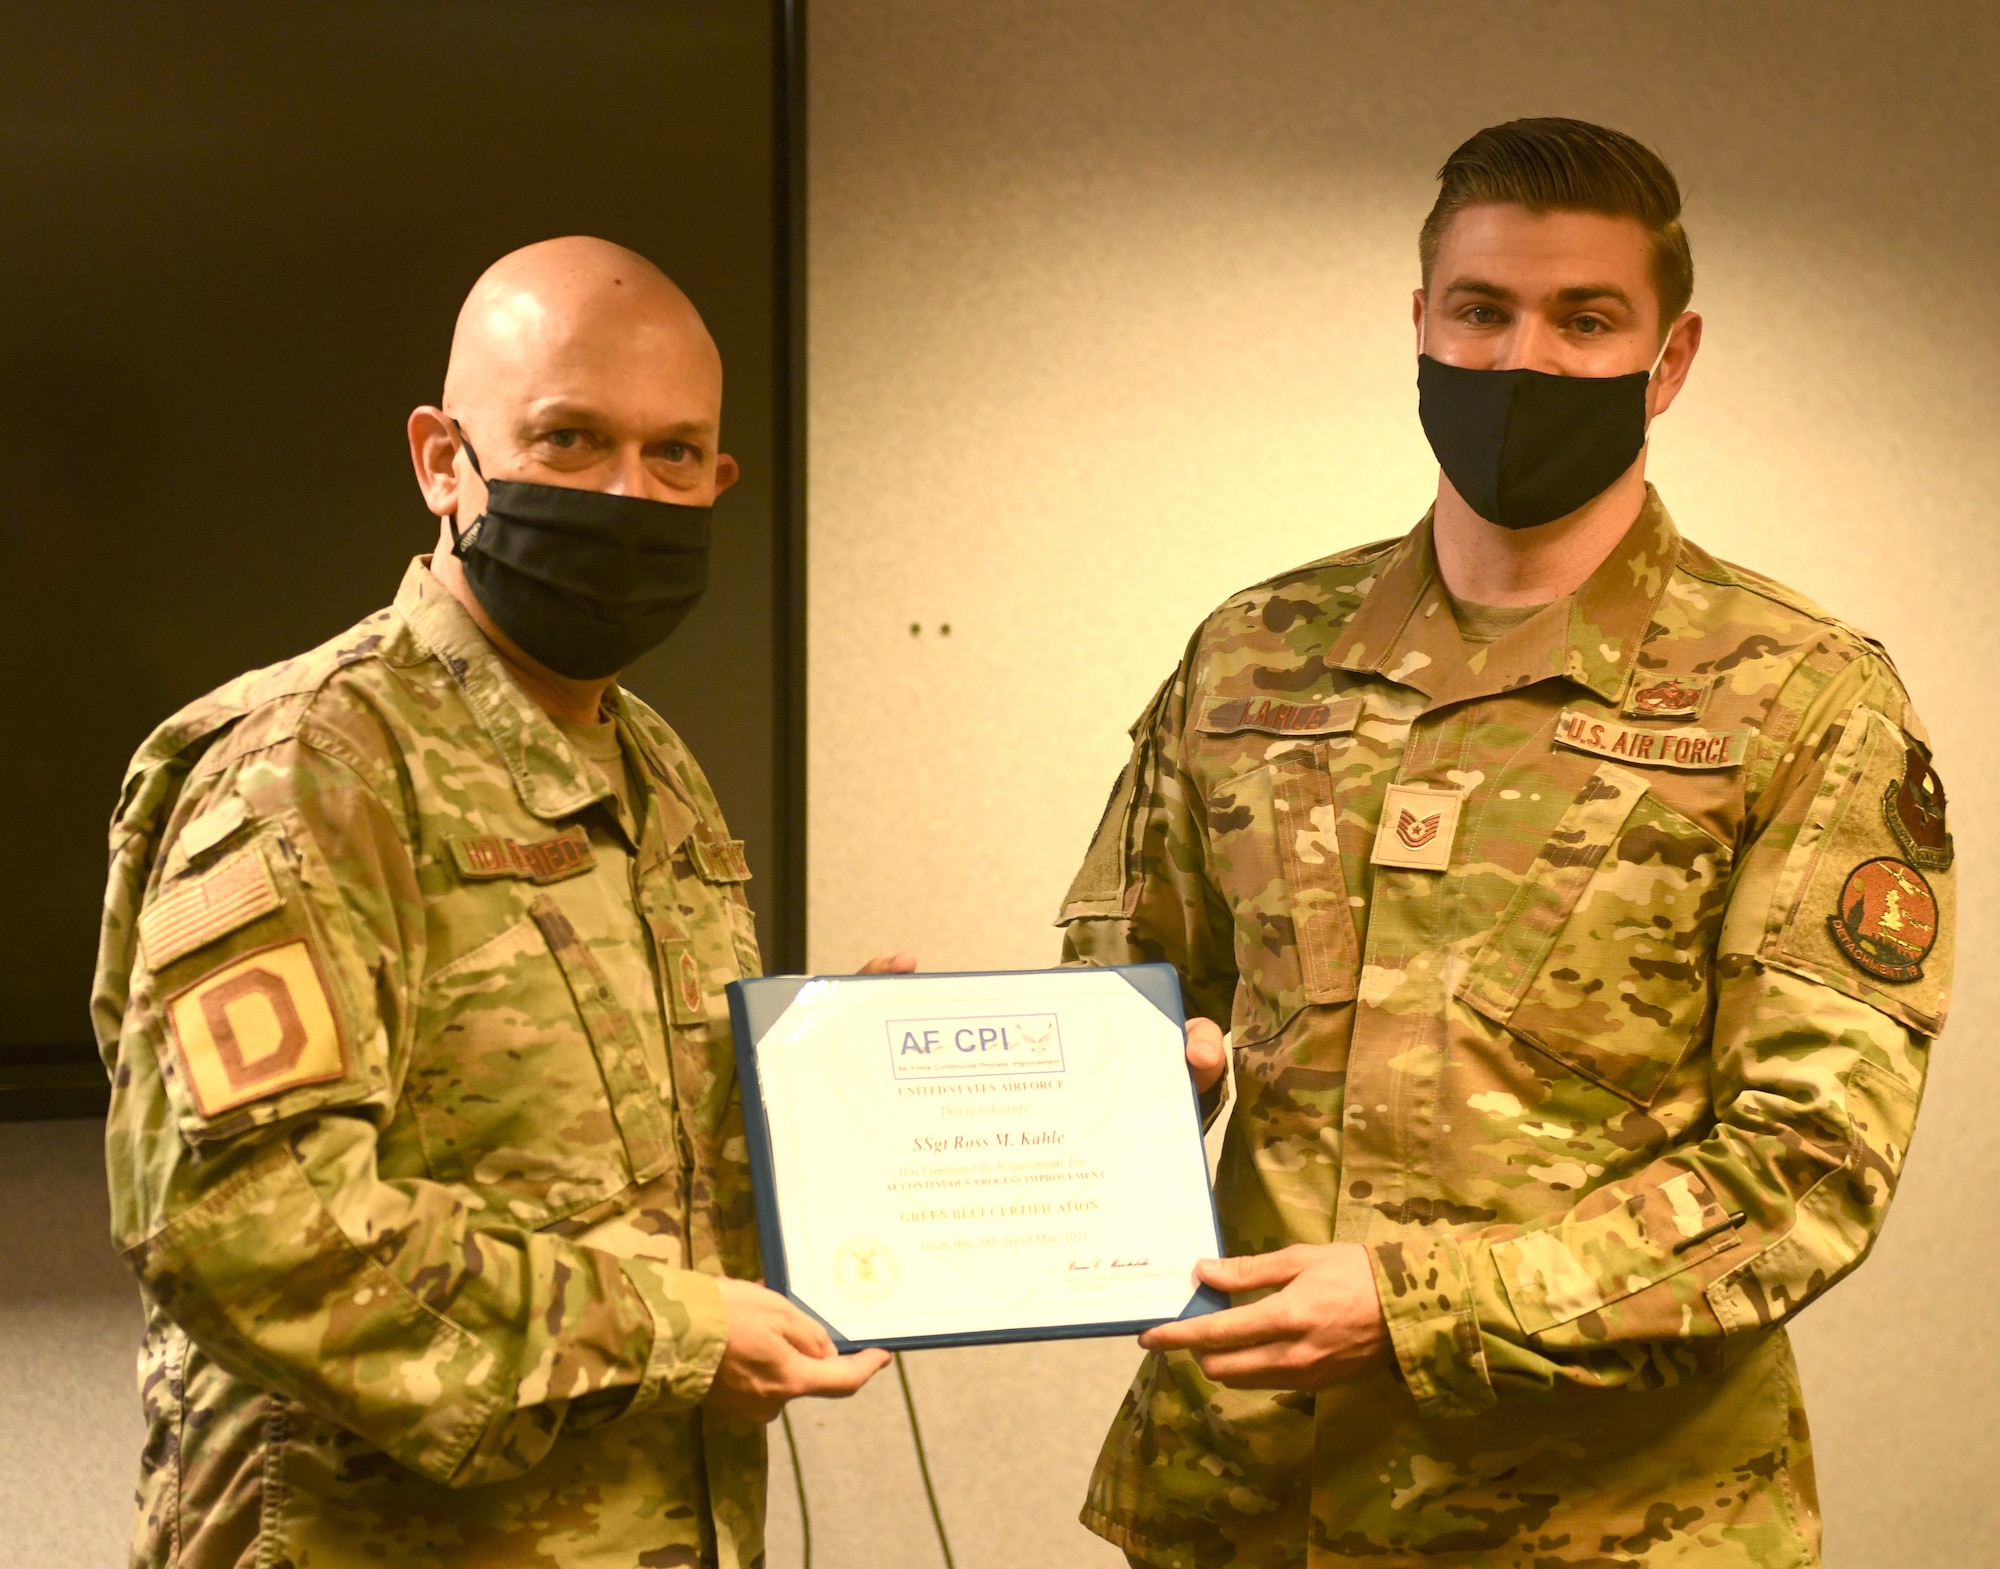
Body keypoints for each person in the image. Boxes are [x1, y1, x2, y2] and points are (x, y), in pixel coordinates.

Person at [1060, 119, 1953, 1568]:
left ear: (1669, 361)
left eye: (1584, 319)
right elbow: (1123, 1006)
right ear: (1421, 323)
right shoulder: (1251, 657)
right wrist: (970, 1077)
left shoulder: (1799, 697)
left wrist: (1416, 1305)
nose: (1521, 357)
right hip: (1252, 1508)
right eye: (1482, 310)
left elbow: (1804, 1170)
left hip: (1605, 1522)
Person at [93, 237, 900, 1569]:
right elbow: (245, 1222)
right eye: (570, 440)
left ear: (719, 477)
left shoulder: (653, 766)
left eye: (675, 454)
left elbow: (638, 1175)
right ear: (440, 457)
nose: (629, 494)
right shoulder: (308, 765)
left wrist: (856, 1098)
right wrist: (673, 1331)